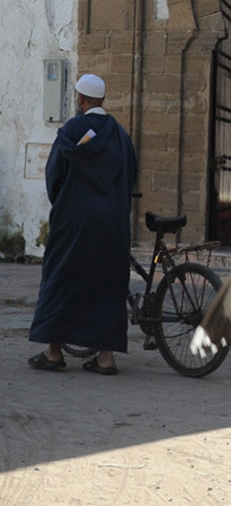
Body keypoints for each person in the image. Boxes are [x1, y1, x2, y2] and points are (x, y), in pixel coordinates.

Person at [28, 73, 137, 375]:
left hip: (74, 221)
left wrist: (65, 206)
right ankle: (105, 357)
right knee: (109, 284)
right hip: (112, 222)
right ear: (101, 99)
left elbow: (54, 177)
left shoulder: (70, 131)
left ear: (80, 99)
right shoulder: (120, 136)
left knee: (61, 277)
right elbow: (130, 175)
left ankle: (53, 352)